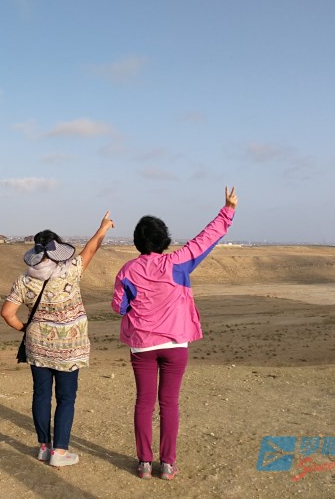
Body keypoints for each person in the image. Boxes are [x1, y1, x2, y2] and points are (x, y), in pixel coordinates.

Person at [112, 187, 238, 481]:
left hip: (142, 346)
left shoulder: (127, 271)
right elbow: (204, 240)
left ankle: (144, 463)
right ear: (164, 239)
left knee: (144, 402)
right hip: (175, 344)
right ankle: (167, 464)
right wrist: (228, 210)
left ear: (138, 241)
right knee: (169, 403)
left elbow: (119, 307)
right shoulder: (178, 262)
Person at [1, 212, 114, 467]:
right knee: (65, 398)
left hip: (37, 347)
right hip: (69, 348)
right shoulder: (71, 271)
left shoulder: (24, 279)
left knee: (41, 395)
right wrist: (103, 228)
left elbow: (7, 313)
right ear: (58, 251)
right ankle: (60, 452)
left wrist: (24, 328)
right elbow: (91, 249)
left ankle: (44, 447)